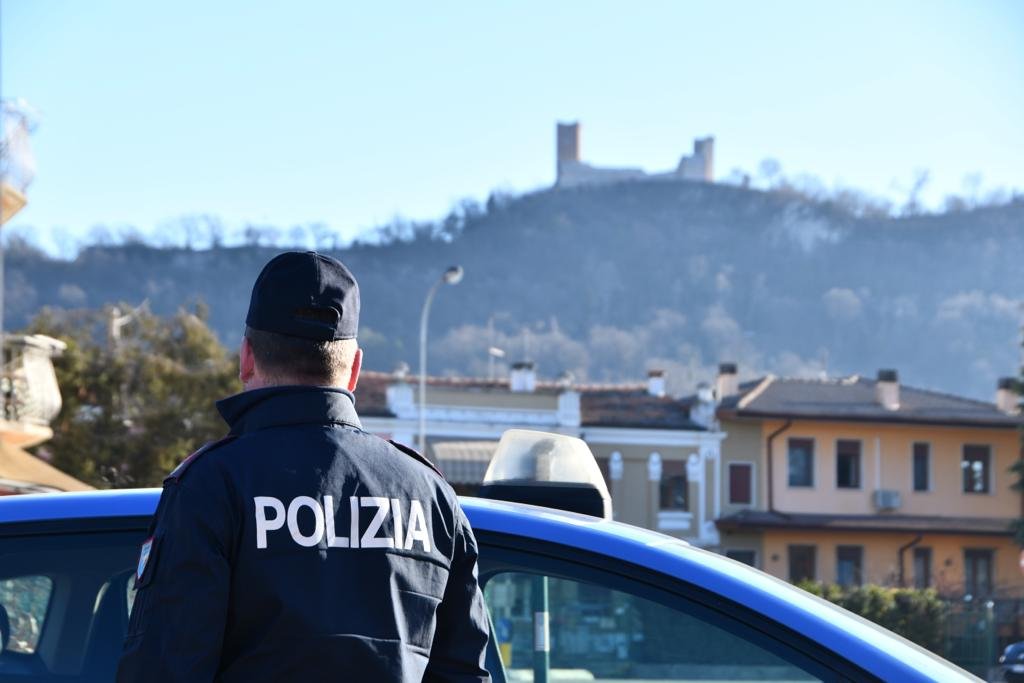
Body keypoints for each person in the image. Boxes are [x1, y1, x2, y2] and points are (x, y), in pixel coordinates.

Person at [116, 251, 491, 682]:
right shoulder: (430, 495)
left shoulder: (212, 485)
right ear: (355, 369)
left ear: (246, 358)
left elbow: (165, 668)